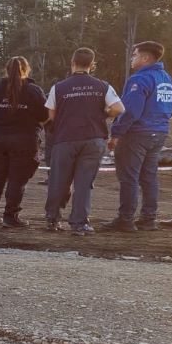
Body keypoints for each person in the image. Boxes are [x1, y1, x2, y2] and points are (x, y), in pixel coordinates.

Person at [43, 48, 124, 235]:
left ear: (73, 63)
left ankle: (52, 219)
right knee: (84, 183)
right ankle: (80, 223)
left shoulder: (59, 87)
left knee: (59, 181)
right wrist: (104, 114)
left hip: (65, 139)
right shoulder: (102, 86)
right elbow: (119, 108)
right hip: (94, 139)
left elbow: (50, 115)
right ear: (92, 65)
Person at [102, 41, 172, 232]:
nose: (131, 58)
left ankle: (125, 219)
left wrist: (116, 133)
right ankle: (148, 219)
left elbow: (130, 111)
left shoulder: (139, 79)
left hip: (137, 134)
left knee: (129, 177)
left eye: (134, 55)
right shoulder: (166, 78)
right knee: (149, 177)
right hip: (159, 132)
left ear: (145, 58)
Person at [0, 56, 48, 227]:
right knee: (17, 180)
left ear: (6, 69)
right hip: (25, 140)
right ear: (27, 70)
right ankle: (11, 216)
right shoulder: (34, 91)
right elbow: (44, 115)